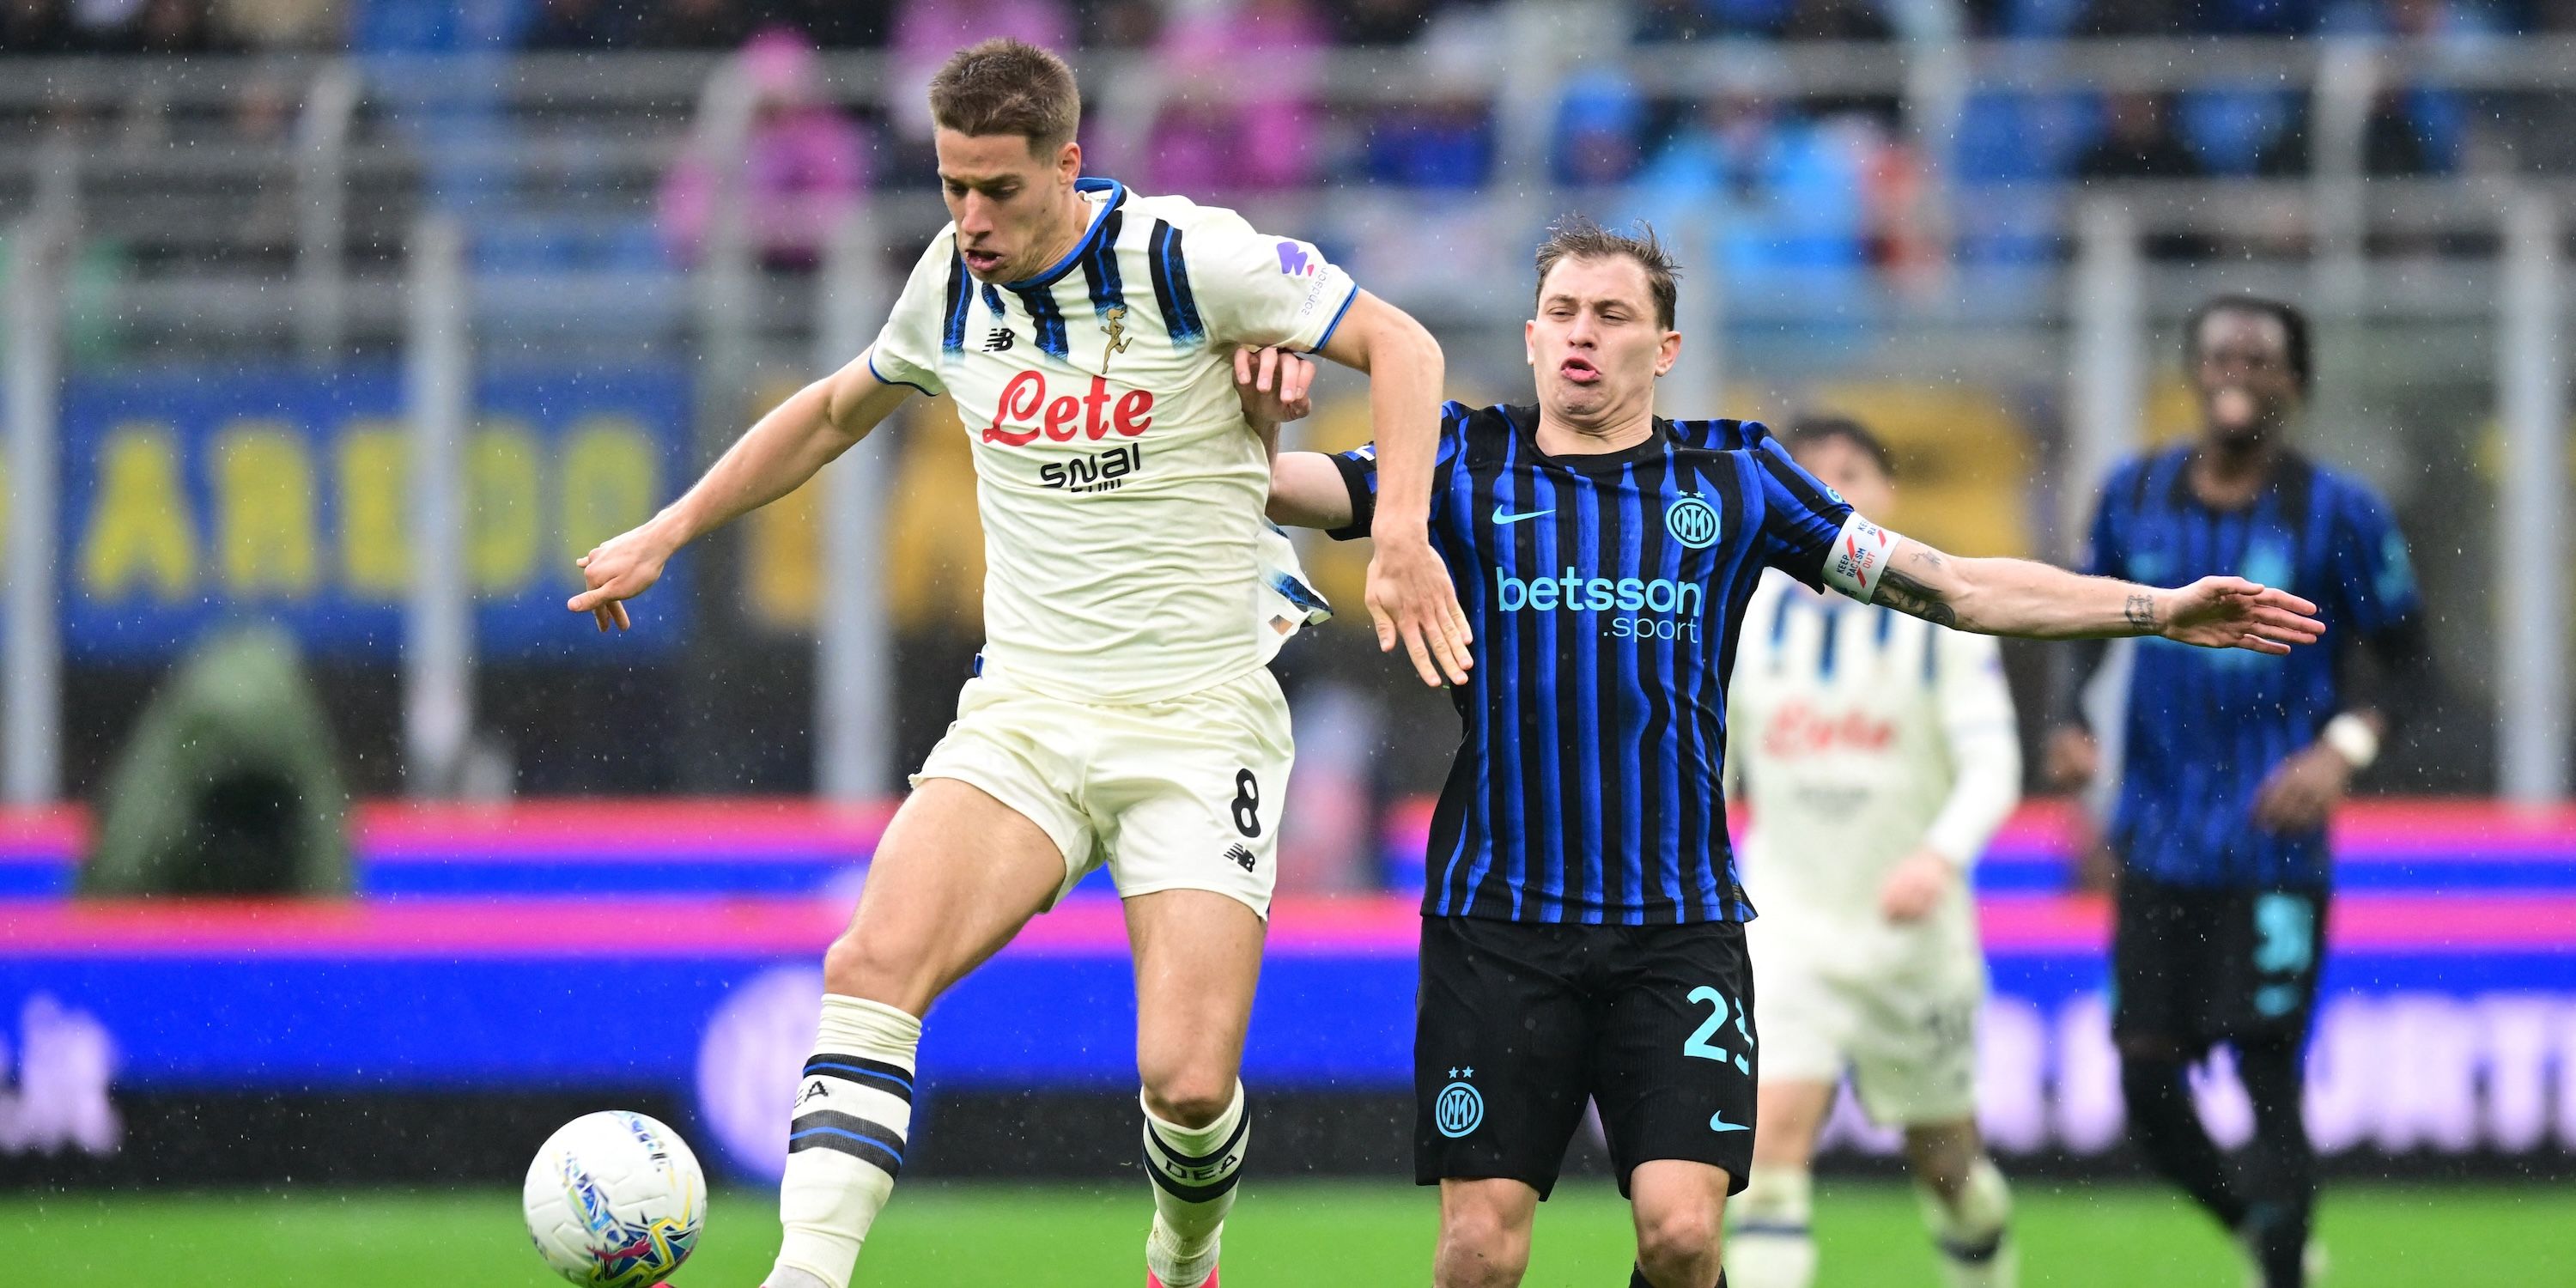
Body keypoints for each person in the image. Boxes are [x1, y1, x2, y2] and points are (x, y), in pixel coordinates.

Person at [1251, 218, 2323, 1288]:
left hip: (1676, 929)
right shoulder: (1454, 458)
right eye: (1564, 314)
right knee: (1477, 1254)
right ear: (1532, 338)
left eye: (1613, 315)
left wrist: (2153, 609)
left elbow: (1948, 583)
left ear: (1663, 349)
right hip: (1498, 922)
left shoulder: (1736, 480)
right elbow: (1274, 491)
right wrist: (1251, 417)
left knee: (1682, 1237)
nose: (1583, 335)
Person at [568, 39, 1469, 1288]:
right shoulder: (948, 281)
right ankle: (806, 1275)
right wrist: (670, 528)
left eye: (999, 189)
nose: (972, 219)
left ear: (1069, 162)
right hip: (1029, 714)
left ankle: (1183, 1253)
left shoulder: (1184, 256)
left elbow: (1408, 349)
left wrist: (1404, 538)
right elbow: (835, 412)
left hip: (1200, 724)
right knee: (873, 965)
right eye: (951, 186)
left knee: (1189, 1083)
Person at [2048, 295, 2433, 1288]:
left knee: (2266, 1074)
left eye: (2262, 359)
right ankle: (2269, 1237)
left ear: (2294, 384)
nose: (2239, 372)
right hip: (2158, 839)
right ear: (2194, 369)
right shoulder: (2132, 497)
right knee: (2144, 1079)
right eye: (2222, 353)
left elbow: (2409, 663)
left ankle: (2285, 1267)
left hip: (2274, 844)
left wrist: (2340, 749)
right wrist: (2072, 726)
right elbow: (2082, 625)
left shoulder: (2337, 511)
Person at [1720, 416, 2023, 1288]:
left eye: (1854, 471)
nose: (1835, 491)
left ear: (1888, 494)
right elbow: (1713, 764)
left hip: (1912, 943)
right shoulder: (1746, 613)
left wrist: (1938, 855)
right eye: (1812, 477)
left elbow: (1994, 762)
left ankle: (1983, 1254)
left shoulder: (1939, 615)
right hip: (1791, 930)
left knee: (1950, 1168)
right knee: (1767, 1158)